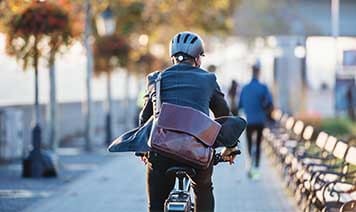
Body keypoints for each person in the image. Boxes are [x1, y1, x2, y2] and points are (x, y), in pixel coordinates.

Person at [139, 31, 237, 212]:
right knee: (203, 188)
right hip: (197, 153)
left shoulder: (156, 79)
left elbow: (145, 118)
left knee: (156, 205)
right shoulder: (208, 79)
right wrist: (230, 148)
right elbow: (224, 116)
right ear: (198, 59)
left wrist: (143, 150)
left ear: (173, 58)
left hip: (161, 153)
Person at [238, 62, 273, 180]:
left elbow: (240, 105)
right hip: (260, 120)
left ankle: (249, 166)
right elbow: (269, 103)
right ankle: (256, 168)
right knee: (258, 144)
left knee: (248, 144)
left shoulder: (245, 88)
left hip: (248, 120)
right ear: (258, 72)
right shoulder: (263, 88)